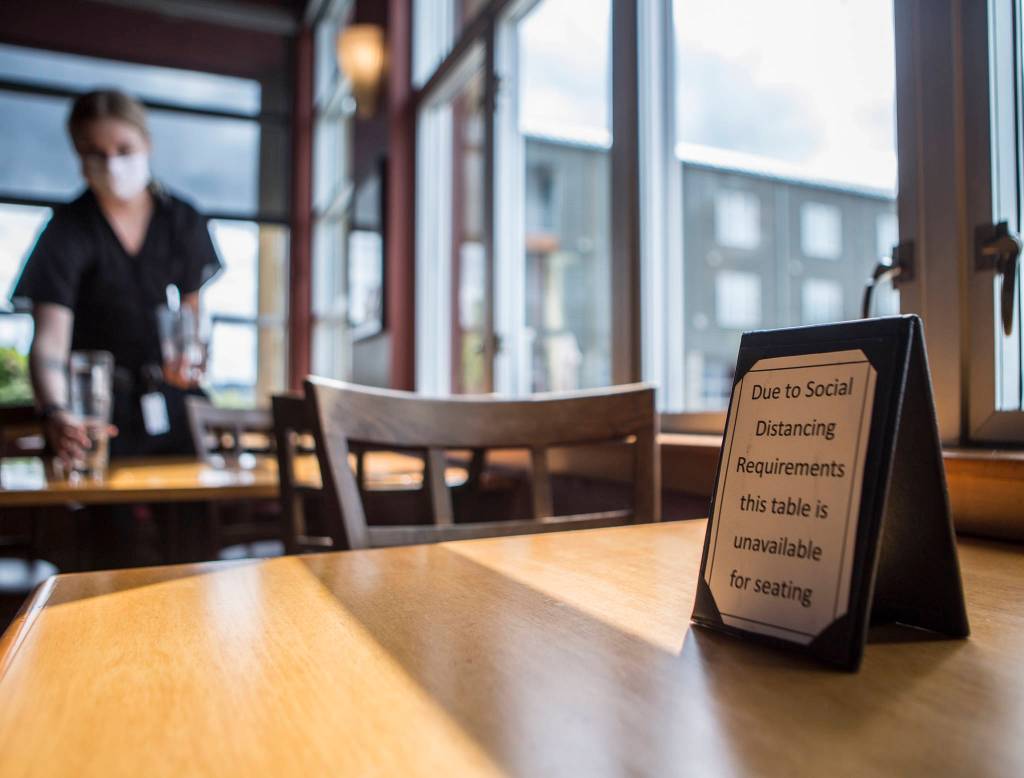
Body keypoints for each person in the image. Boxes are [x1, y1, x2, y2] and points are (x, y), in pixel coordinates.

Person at [11, 89, 222, 463]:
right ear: (78, 153)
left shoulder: (180, 220)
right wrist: (57, 412)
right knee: (110, 517)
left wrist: (193, 356)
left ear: (146, 144)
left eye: (124, 149)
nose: (111, 163)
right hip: (95, 410)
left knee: (196, 509)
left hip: (171, 403)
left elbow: (191, 320)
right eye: (95, 152)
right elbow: (49, 343)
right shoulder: (67, 229)